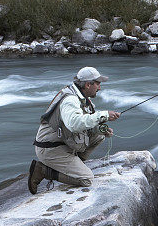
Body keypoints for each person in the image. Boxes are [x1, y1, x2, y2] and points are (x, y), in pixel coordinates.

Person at [28, 66, 121, 194]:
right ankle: (44, 170)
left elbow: (83, 123)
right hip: (50, 149)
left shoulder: (81, 97)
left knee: (99, 136)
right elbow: (74, 124)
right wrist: (103, 115)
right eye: (98, 84)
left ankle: (74, 166)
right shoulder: (70, 100)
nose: (100, 87)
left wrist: (100, 129)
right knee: (87, 180)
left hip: (63, 143)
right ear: (88, 84)